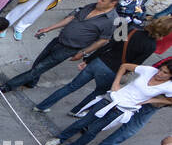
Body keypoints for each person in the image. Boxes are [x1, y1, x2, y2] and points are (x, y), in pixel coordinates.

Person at [34, 15, 171, 117]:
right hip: (112, 71)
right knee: (96, 94)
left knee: (71, 86)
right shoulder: (151, 46)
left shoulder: (131, 29)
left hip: (99, 61)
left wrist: (88, 59)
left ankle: (42, 106)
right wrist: (122, 76)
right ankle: (77, 111)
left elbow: (109, 44)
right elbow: (135, 64)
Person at [46, 60, 172, 145]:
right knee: (83, 122)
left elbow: (170, 101)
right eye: (161, 70)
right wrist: (116, 83)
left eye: (165, 73)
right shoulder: (149, 70)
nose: (159, 73)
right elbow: (124, 66)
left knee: (93, 130)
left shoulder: (168, 86)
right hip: (111, 99)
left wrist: (151, 100)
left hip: (123, 109)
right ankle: (60, 138)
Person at [0, 0, 121, 92]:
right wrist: (49, 28)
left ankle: (8, 86)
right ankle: (31, 83)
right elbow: (72, 18)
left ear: (113, 3)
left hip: (69, 49)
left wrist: (83, 53)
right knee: (38, 63)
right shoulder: (92, 6)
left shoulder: (112, 20)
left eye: (102, 1)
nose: (98, 1)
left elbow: (103, 40)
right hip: (59, 40)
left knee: (39, 68)